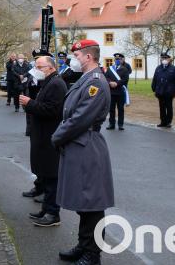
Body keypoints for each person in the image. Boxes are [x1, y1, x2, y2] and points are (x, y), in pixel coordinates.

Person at [52, 39, 114, 265]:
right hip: (79, 144)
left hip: (87, 145)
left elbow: (80, 118)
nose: (73, 60)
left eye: (77, 56)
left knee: (92, 204)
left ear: (88, 57)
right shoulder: (86, 78)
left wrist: (57, 136)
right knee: (84, 202)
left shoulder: (95, 82)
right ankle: (84, 245)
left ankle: (92, 253)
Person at [20, 56, 67, 227]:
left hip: (49, 136)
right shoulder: (49, 82)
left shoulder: (57, 84)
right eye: (36, 66)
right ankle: (46, 209)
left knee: (52, 176)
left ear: (51, 68)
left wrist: (30, 103)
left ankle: (53, 213)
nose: (36, 70)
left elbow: (53, 110)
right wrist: (30, 104)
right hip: (42, 135)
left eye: (40, 67)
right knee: (46, 175)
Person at [151, 52, 175, 128]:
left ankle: (168, 122)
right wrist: (154, 89)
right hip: (160, 91)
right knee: (162, 107)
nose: (164, 59)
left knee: (169, 107)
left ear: (169, 59)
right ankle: (163, 121)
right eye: (163, 58)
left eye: (166, 58)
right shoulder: (158, 68)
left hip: (169, 92)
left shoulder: (173, 69)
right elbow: (155, 79)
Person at [105, 53, 130, 130]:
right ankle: (111, 124)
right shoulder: (110, 69)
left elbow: (125, 79)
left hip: (120, 92)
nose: (117, 60)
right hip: (111, 92)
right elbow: (106, 77)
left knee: (120, 109)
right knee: (111, 109)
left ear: (121, 60)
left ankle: (120, 124)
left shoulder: (125, 69)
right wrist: (110, 82)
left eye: (119, 59)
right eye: (116, 59)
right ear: (114, 60)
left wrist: (116, 83)